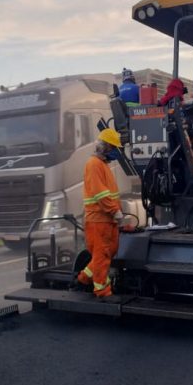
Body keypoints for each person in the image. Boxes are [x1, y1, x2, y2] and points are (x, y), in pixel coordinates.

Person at [73, 128, 124, 302]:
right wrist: (114, 211)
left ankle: (84, 278)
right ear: (107, 147)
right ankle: (102, 292)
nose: (117, 152)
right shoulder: (94, 164)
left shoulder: (101, 165)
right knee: (102, 256)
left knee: (105, 254)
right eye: (115, 148)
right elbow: (100, 193)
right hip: (99, 219)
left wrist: (116, 212)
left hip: (105, 219)